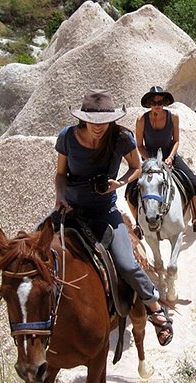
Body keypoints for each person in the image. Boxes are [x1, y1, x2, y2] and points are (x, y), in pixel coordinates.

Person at [54, 88, 173, 346]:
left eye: (105, 122)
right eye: (94, 122)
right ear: (82, 118)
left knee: (128, 264)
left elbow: (136, 167)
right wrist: (60, 198)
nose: (99, 127)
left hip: (104, 211)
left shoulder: (122, 138)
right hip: (71, 208)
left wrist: (118, 184)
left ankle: (154, 309)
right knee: (35, 255)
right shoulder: (67, 137)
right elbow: (61, 174)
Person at [126, 86, 196, 236]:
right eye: (154, 101)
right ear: (149, 103)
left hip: (170, 157)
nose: (157, 103)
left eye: (160, 101)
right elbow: (139, 145)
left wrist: (170, 157)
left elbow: (176, 140)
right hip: (149, 159)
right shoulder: (141, 120)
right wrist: (150, 160)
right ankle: (138, 224)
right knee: (129, 192)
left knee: (195, 185)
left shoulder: (174, 117)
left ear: (165, 102)